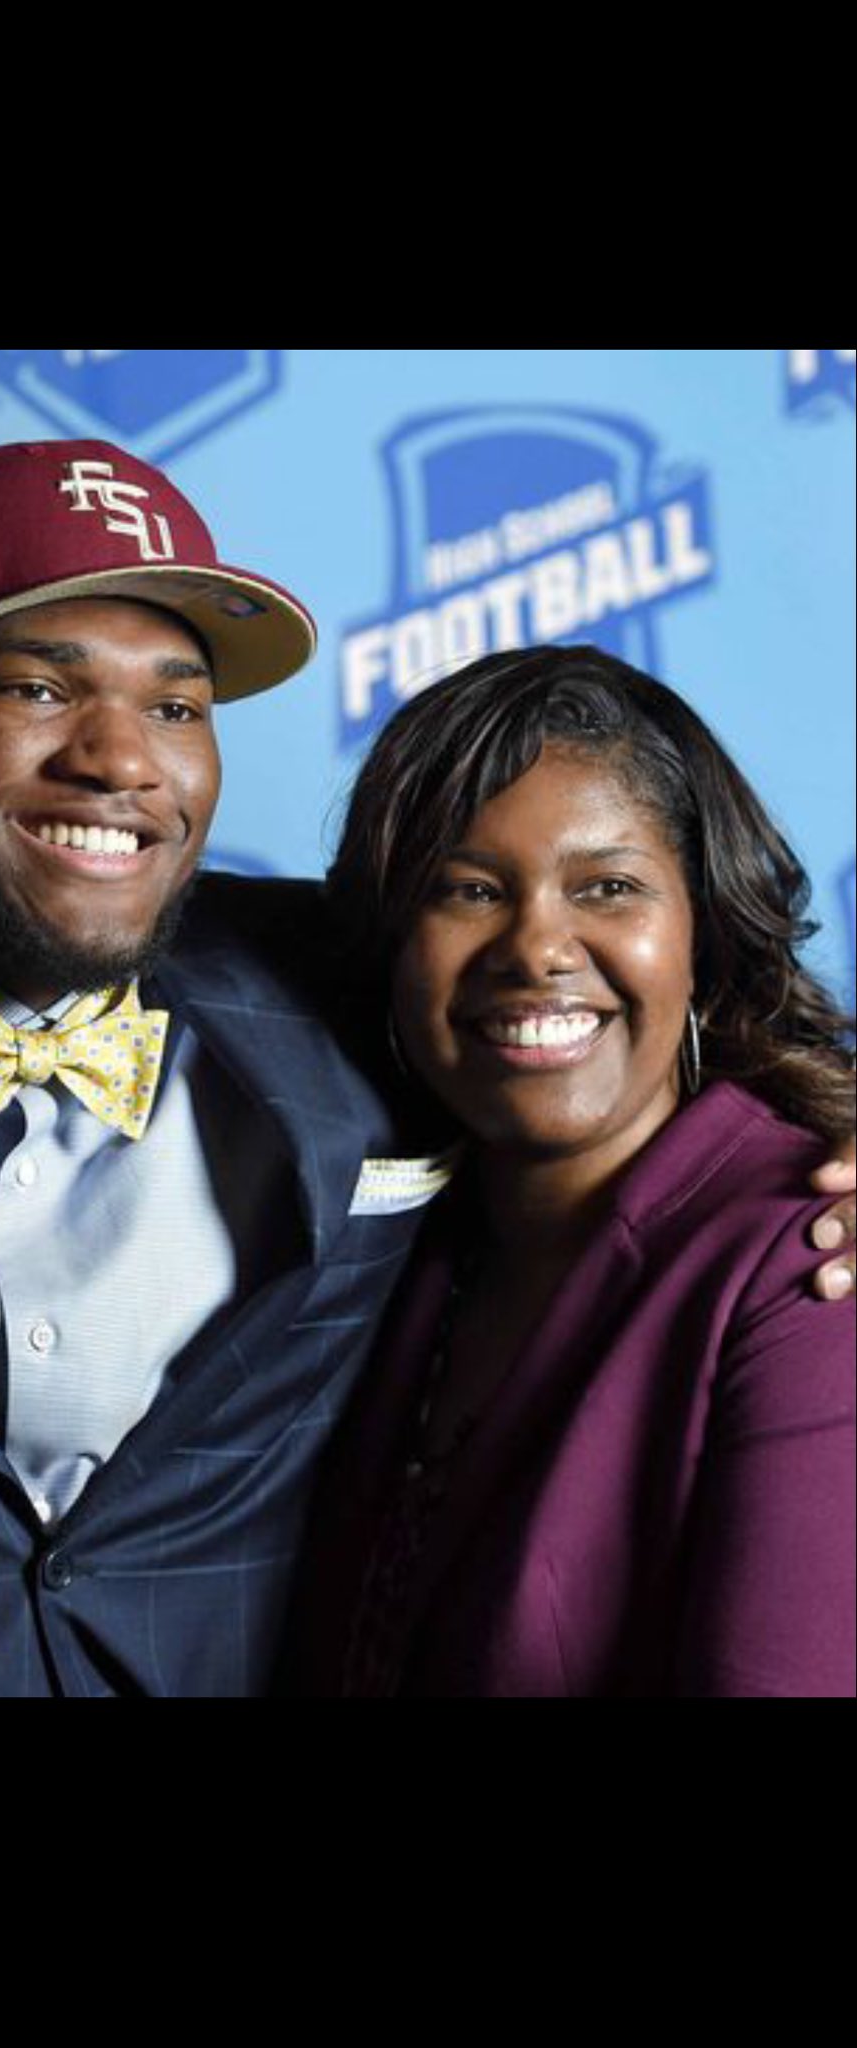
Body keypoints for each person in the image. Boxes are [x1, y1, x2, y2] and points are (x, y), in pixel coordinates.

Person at [0, 445, 852, 1698]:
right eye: (39, 688)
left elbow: (610, 1023)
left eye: (178, 705)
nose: (122, 759)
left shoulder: (333, 995)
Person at [278, 647, 856, 1698]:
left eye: (610, 886)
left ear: (703, 936)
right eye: (468, 888)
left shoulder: (812, 1270)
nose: (538, 944)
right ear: (392, 944)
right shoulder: (396, 1242)